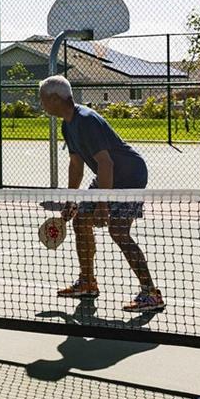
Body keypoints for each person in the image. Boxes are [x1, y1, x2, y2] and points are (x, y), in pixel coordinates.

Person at [37, 75, 163, 312]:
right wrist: (71, 199)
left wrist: (103, 205)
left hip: (130, 177)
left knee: (118, 231)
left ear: (54, 98)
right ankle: (87, 283)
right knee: (80, 221)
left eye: (42, 98)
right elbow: (76, 164)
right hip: (107, 176)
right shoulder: (67, 124)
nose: (41, 103)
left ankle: (151, 293)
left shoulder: (86, 120)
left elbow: (106, 163)